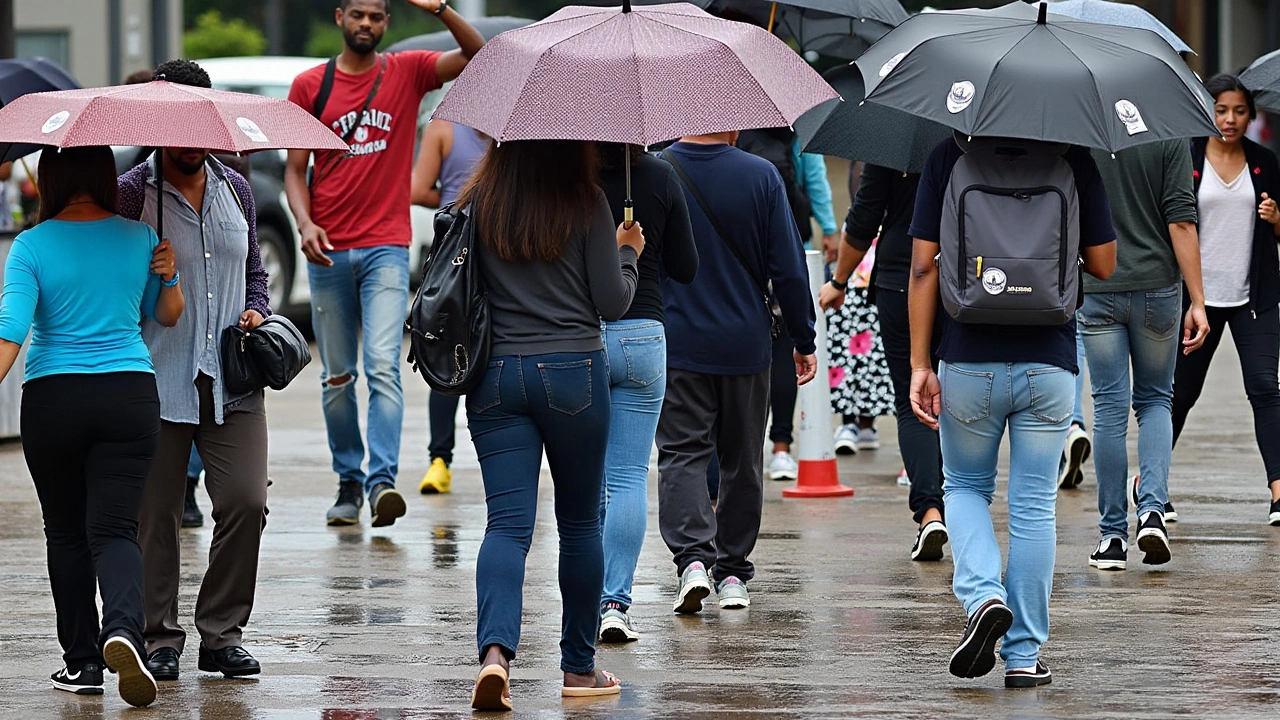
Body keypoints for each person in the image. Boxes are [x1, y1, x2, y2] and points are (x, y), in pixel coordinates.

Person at [908, 136, 1116, 688]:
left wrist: (918, 363)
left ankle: (983, 597)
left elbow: (923, 268)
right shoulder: (1075, 158)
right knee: (1032, 508)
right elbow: (1104, 263)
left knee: (965, 488)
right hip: (1048, 362)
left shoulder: (948, 156)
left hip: (967, 359)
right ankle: (1023, 656)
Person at [285, 0, 484, 527]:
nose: (367, 25)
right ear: (339, 17)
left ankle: (382, 484)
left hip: (386, 249)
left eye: (376, 16)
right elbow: (293, 172)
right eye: (358, 15)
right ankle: (348, 480)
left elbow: (477, 55)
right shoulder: (309, 85)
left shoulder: (409, 70)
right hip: (328, 249)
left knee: (383, 366)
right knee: (337, 377)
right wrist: (304, 224)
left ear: (386, 23)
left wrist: (441, 9)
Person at [0, 145, 184, 707]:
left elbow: (11, 332)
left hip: (55, 398)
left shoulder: (32, 245)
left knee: (66, 532)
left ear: (50, 178)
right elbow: (166, 315)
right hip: (128, 394)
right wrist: (169, 275)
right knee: (115, 530)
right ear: (106, 176)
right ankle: (125, 632)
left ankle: (81, 663)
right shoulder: (140, 237)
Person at [461, 140, 642, 712]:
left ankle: (495, 658)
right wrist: (629, 254)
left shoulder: (480, 201)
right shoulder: (586, 201)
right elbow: (612, 304)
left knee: (507, 526)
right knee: (581, 525)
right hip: (573, 375)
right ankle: (578, 669)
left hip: (494, 376)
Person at [118, 59, 274, 682]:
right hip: (156, 378)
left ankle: (221, 632)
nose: (189, 139)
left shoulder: (237, 187)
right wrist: (147, 275)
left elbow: (256, 273)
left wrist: (258, 311)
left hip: (233, 379)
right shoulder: (131, 194)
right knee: (155, 516)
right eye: (175, 123)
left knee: (244, 502)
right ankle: (159, 636)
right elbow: (113, 289)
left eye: (198, 123)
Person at [657, 131, 818, 615]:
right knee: (743, 459)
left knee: (682, 454)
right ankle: (731, 573)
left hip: (677, 341)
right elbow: (788, 267)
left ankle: (691, 562)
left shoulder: (654, 170)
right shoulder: (762, 176)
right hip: (746, 343)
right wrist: (804, 337)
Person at [1081, 139, 1208, 571]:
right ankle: (1152, 509)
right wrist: (1198, 301)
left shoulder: (1081, 122)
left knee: (1109, 410)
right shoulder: (1167, 130)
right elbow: (1182, 222)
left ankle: (1112, 538)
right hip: (1157, 285)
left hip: (1096, 284)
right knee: (1156, 400)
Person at [819, 164, 949, 562]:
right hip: (974, 274)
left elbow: (864, 218)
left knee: (912, 399)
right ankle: (967, 507)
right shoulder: (979, 127)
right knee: (964, 396)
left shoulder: (896, 132)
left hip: (902, 276)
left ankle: (930, 512)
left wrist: (839, 281)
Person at [595, 143, 698, 642]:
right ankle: (615, 603)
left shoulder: (572, 173)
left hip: (581, 336)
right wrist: (637, 244)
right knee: (629, 475)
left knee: (585, 479)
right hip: (642, 336)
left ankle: (585, 600)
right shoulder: (661, 175)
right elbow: (686, 265)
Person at [1172, 75, 1280, 526]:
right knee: (1180, 394)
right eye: (1220, 110)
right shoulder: (1187, 157)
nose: (1229, 119)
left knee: (1265, 388)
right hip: (1197, 298)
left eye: (1238, 111)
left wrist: (1277, 219)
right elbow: (1173, 222)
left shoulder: (1264, 161)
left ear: (1250, 115)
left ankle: (1278, 491)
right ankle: (1149, 487)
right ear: (1206, 111)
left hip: (1253, 296)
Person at [737, 128, 838, 480]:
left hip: (742, 252)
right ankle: (781, 447)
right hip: (794, 242)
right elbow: (815, 179)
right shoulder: (796, 126)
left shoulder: (735, 127)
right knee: (783, 350)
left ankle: (743, 449)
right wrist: (829, 228)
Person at [410, 118, 488, 495]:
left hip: (454, 253)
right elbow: (416, 189)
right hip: (496, 249)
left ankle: (439, 460)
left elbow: (419, 189)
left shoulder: (443, 127)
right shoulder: (523, 126)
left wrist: (454, 202)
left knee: (447, 346)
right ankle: (440, 458)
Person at [825, 241, 894, 453]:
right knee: (846, 356)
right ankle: (848, 423)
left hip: (880, 280)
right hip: (852, 283)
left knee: (875, 358)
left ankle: (866, 424)